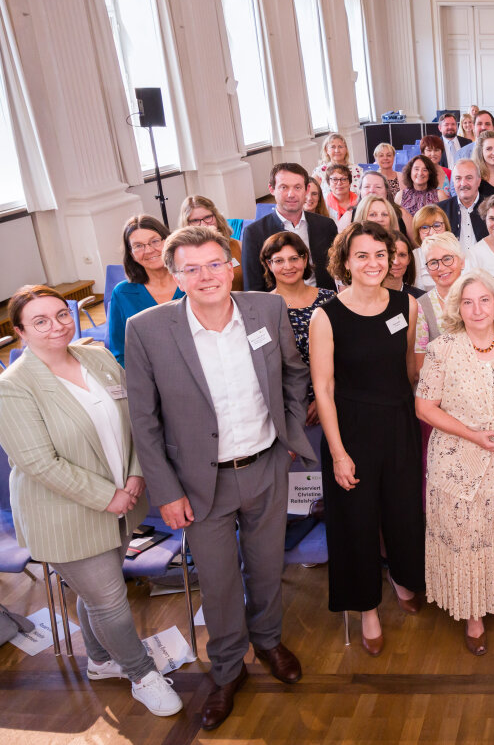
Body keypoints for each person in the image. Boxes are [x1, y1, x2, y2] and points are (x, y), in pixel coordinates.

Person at [125, 226, 314, 731]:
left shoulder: (266, 310)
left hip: (267, 465)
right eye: (192, 268)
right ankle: (228, 670)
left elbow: (295, 373)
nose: (206, 276)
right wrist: (165, 492)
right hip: (197, 484)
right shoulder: (148, 329)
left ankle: (269, 642)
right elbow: (144, 420)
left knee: (267, 565)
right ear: (175, 274)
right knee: (219, 580)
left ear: (231, 264)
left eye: (215, 264)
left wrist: (290, 431)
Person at [0, 286, 183, 717]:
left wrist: (137, 473)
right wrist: (108, 496)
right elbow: (38, 463)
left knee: (99, 591)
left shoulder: (97, 358)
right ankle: (142, 674)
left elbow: (137, 418)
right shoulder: (13, 387)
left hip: (123, 502)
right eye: (40, 321)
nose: (56, 326)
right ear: (20, 331)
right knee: (109, 599)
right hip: (65, 516)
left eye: (61, 315)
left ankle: (101, 660)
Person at [308, 222, 423, 657]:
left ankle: (402, 576)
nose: (374, 263)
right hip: (351, 429)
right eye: (362, 255)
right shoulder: (328, 315)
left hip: (398, 423)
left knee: (403, 512)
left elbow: (410, 369)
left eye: (381, 254)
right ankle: (368, 610)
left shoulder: (405, 305)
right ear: (345, 261)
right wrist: (338, 453)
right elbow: (323, 388)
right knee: (355, 524)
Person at [415, 270, 494, 656]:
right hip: (459, 464)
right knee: (468, 540)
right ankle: (473, 615)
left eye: (484, 300)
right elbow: (423, 407)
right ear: (457, 308)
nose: (477, 309)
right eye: (467, 302)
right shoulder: (442, 349)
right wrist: (474, 436)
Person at [261, 231, 335, 422]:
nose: (288, 266)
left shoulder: (329, 299)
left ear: (304, 259)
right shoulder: (261, 308)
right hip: (285, 408)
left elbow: (344, 354)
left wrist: (323, 399)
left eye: (294, 258)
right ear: (269, 264)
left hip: (332, 399)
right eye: (279, 260)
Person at [242, 163, 340, 293]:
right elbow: (253, 289)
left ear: (307, 189)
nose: (291, 194)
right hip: (279, 307)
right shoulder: (254, 233)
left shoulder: (326, 226)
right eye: (284, 187)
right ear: (272, 189)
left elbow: (338, 270)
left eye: (297, 187)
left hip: (323, 303)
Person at [108, 216, 184, 366]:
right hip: (150, 376)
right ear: (131, 254)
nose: (149, 250)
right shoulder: (122, 293)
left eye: (155, 241)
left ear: (168, 241)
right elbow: (120, 351)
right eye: (138, 246)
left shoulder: (191, 281)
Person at [413, 232, 466, 371]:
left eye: (447, 259)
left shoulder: (480, 296)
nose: (441, 268)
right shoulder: (421, 306)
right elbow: (420, 368)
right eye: (433, 262)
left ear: (462, 261)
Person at [179, 197, 244, 291]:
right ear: (187, 224)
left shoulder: (238, 245)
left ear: (216, 217)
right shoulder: (183, 255)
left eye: (207, 217)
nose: (204, 225)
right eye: (195, 221)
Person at [437, 159, 489, 250]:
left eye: (469, 178)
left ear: (478, 181)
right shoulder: (440, 210)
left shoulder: (492, 208)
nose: (463, 183)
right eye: (458, 178)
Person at [323, 164, 358, 229]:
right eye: (334, 179)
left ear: (349, 182)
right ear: (328, 183)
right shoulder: (323, 204)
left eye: (343, 179)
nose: (339, 183)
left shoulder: (360, 202)